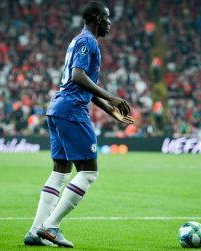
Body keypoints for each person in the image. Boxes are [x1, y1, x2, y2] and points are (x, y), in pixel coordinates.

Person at [24, 1, 133, 248]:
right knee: (89, 172)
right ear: (96, 18)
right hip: (71, 110)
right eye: (106, 17)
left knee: (60, 172)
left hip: (59, 109)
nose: (110, 22)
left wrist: (110, 109)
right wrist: (112, 96)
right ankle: (51, 227)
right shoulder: (88, 41)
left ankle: (34, 231)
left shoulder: (78, 40)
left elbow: (84, 85)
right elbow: (78, 77)